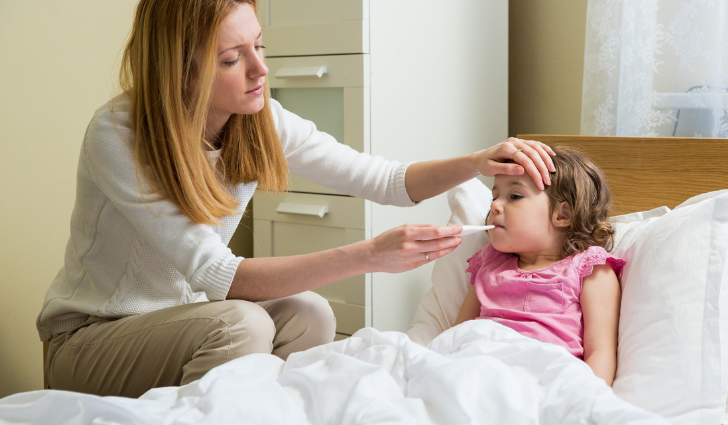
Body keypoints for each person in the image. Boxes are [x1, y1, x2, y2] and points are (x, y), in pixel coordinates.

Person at [35, 0, 557, 398]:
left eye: (258, 46)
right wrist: (368, 256)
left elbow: (386, 181)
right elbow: (222, 278)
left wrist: (476, 161)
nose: (260, 70)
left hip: (185, 322)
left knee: (311, 314)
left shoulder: (258, 120)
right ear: (182, 70)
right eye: (232, 58)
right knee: (242, 322)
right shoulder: (120, 134)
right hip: (92, 339)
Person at [454, 146, 624, 385]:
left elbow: (600, 350)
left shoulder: (589, 268)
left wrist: (588, 401)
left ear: (562, 214)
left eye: (514, 196)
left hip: (541, 380)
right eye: (495, 196)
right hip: (477, 371)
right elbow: (457, 334)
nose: (494, 206)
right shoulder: (489, 262)